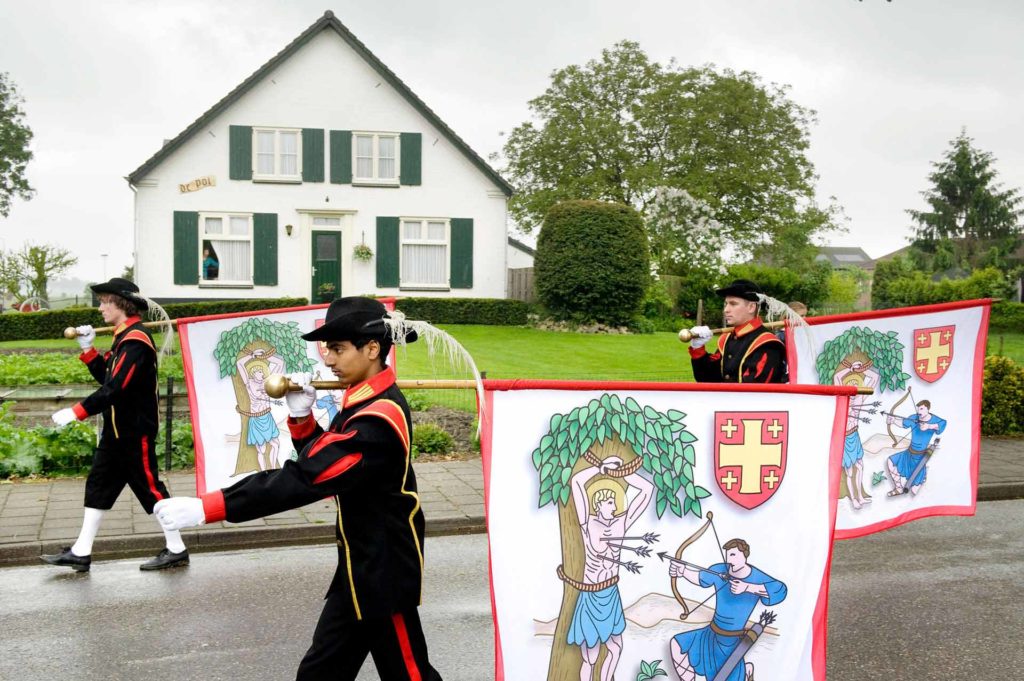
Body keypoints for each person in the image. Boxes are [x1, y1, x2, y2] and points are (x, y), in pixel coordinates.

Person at [153, 297, 443, 681]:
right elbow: (329, 466)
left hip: (384, 571)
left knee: (409, 675)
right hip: (359, 565)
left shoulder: (378, 416)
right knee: (319, 672)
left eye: (337, 349)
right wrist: (302, 417)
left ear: (372, 349)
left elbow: (306, 478)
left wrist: (211, 507)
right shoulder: (363, 400)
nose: (327, 360)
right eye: (327, 349)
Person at [41, 277, 189, 572]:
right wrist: (89, 350)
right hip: (116, 432)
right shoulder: (124, 338)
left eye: (105, 301)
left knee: (151, 490)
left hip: (134, 432)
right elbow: (109, 378)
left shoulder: (136, 341)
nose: (100, 308)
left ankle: (177, 548)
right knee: (98, 486)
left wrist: (77, 411)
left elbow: (116, 388)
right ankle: (81, 551)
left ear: (121, 304)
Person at [566, 457, 653, 681]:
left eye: (615, 502)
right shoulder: (588, 523)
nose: (614, 506)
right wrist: (600, 468)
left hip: (610, 593)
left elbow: (647, 489)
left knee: (615, 648)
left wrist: (620, 472)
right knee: (590, 656)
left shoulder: (620, 523)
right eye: (610, 502)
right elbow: (576, 482)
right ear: (599, 503)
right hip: (591, 594)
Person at [669, 538, 787, 681]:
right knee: (677, 645)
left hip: (732, 641)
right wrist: (683, 571)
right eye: (727, 555)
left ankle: (747, 670)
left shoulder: (757, 577)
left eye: (733, 555)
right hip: (710, 633)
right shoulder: (720, 570)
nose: (728, 559)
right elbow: (701, 578)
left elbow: (781, 590)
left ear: (745, 555)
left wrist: (747, 587)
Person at [686, 280, 786, 383]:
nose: (726, 310)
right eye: (726, 304)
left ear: (751, 307)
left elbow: (755, 391)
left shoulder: (768, 344)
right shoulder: (726, 339)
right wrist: (698, 349)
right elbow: (708, 380)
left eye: (733, 304)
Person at [834, 359, 879, 509]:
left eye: (855, 386)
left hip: (855, 435)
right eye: (849, 387)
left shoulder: (860, 398)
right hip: (845, 437)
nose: (852, 390)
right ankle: (853, 498)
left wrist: (860, 369)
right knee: (849, 471)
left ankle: (860, 496)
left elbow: (875, 378)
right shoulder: (841, 399)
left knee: (860, 466)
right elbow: (837, 378)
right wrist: (850, 368)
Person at [235, 348, 284, 471]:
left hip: (267, 417)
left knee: (275, 444)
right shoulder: (248, 382)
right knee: (261, 449)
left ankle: (273, 470)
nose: (262, 374)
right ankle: (264, 473)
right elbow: (239, 364)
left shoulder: (268, 381)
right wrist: (253, 355)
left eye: (262, 371)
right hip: (256, 419)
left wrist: (263, 356)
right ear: (253, 373)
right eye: (259, 372)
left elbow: (280, 363)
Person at [886, 400, 946, 496]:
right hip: (909, 454)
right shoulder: (914, 418)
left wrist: (929, 426)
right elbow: (903, 423)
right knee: (890, 461)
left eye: (921, 408)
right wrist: (892, 420)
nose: (919, 411)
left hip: (920, 458)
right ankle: (898, 488)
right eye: (918, 409)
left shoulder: (934, 420)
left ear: (928, 409)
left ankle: (923, 475)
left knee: (914, 491)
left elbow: (943, 423)